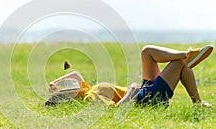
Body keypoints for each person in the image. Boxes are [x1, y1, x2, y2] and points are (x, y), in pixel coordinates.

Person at [45, 45, 213, 108]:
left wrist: (56, 82)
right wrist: (131, 91)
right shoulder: (90, 97)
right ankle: (197, 102)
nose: (68, 85)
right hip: (146, 99)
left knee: (146, 52)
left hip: (144, 90)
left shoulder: (83, 90)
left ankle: (187, 54)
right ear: (68, 97)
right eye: (65, 90)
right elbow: (115, 109)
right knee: (179, 64)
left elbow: (75, 75)